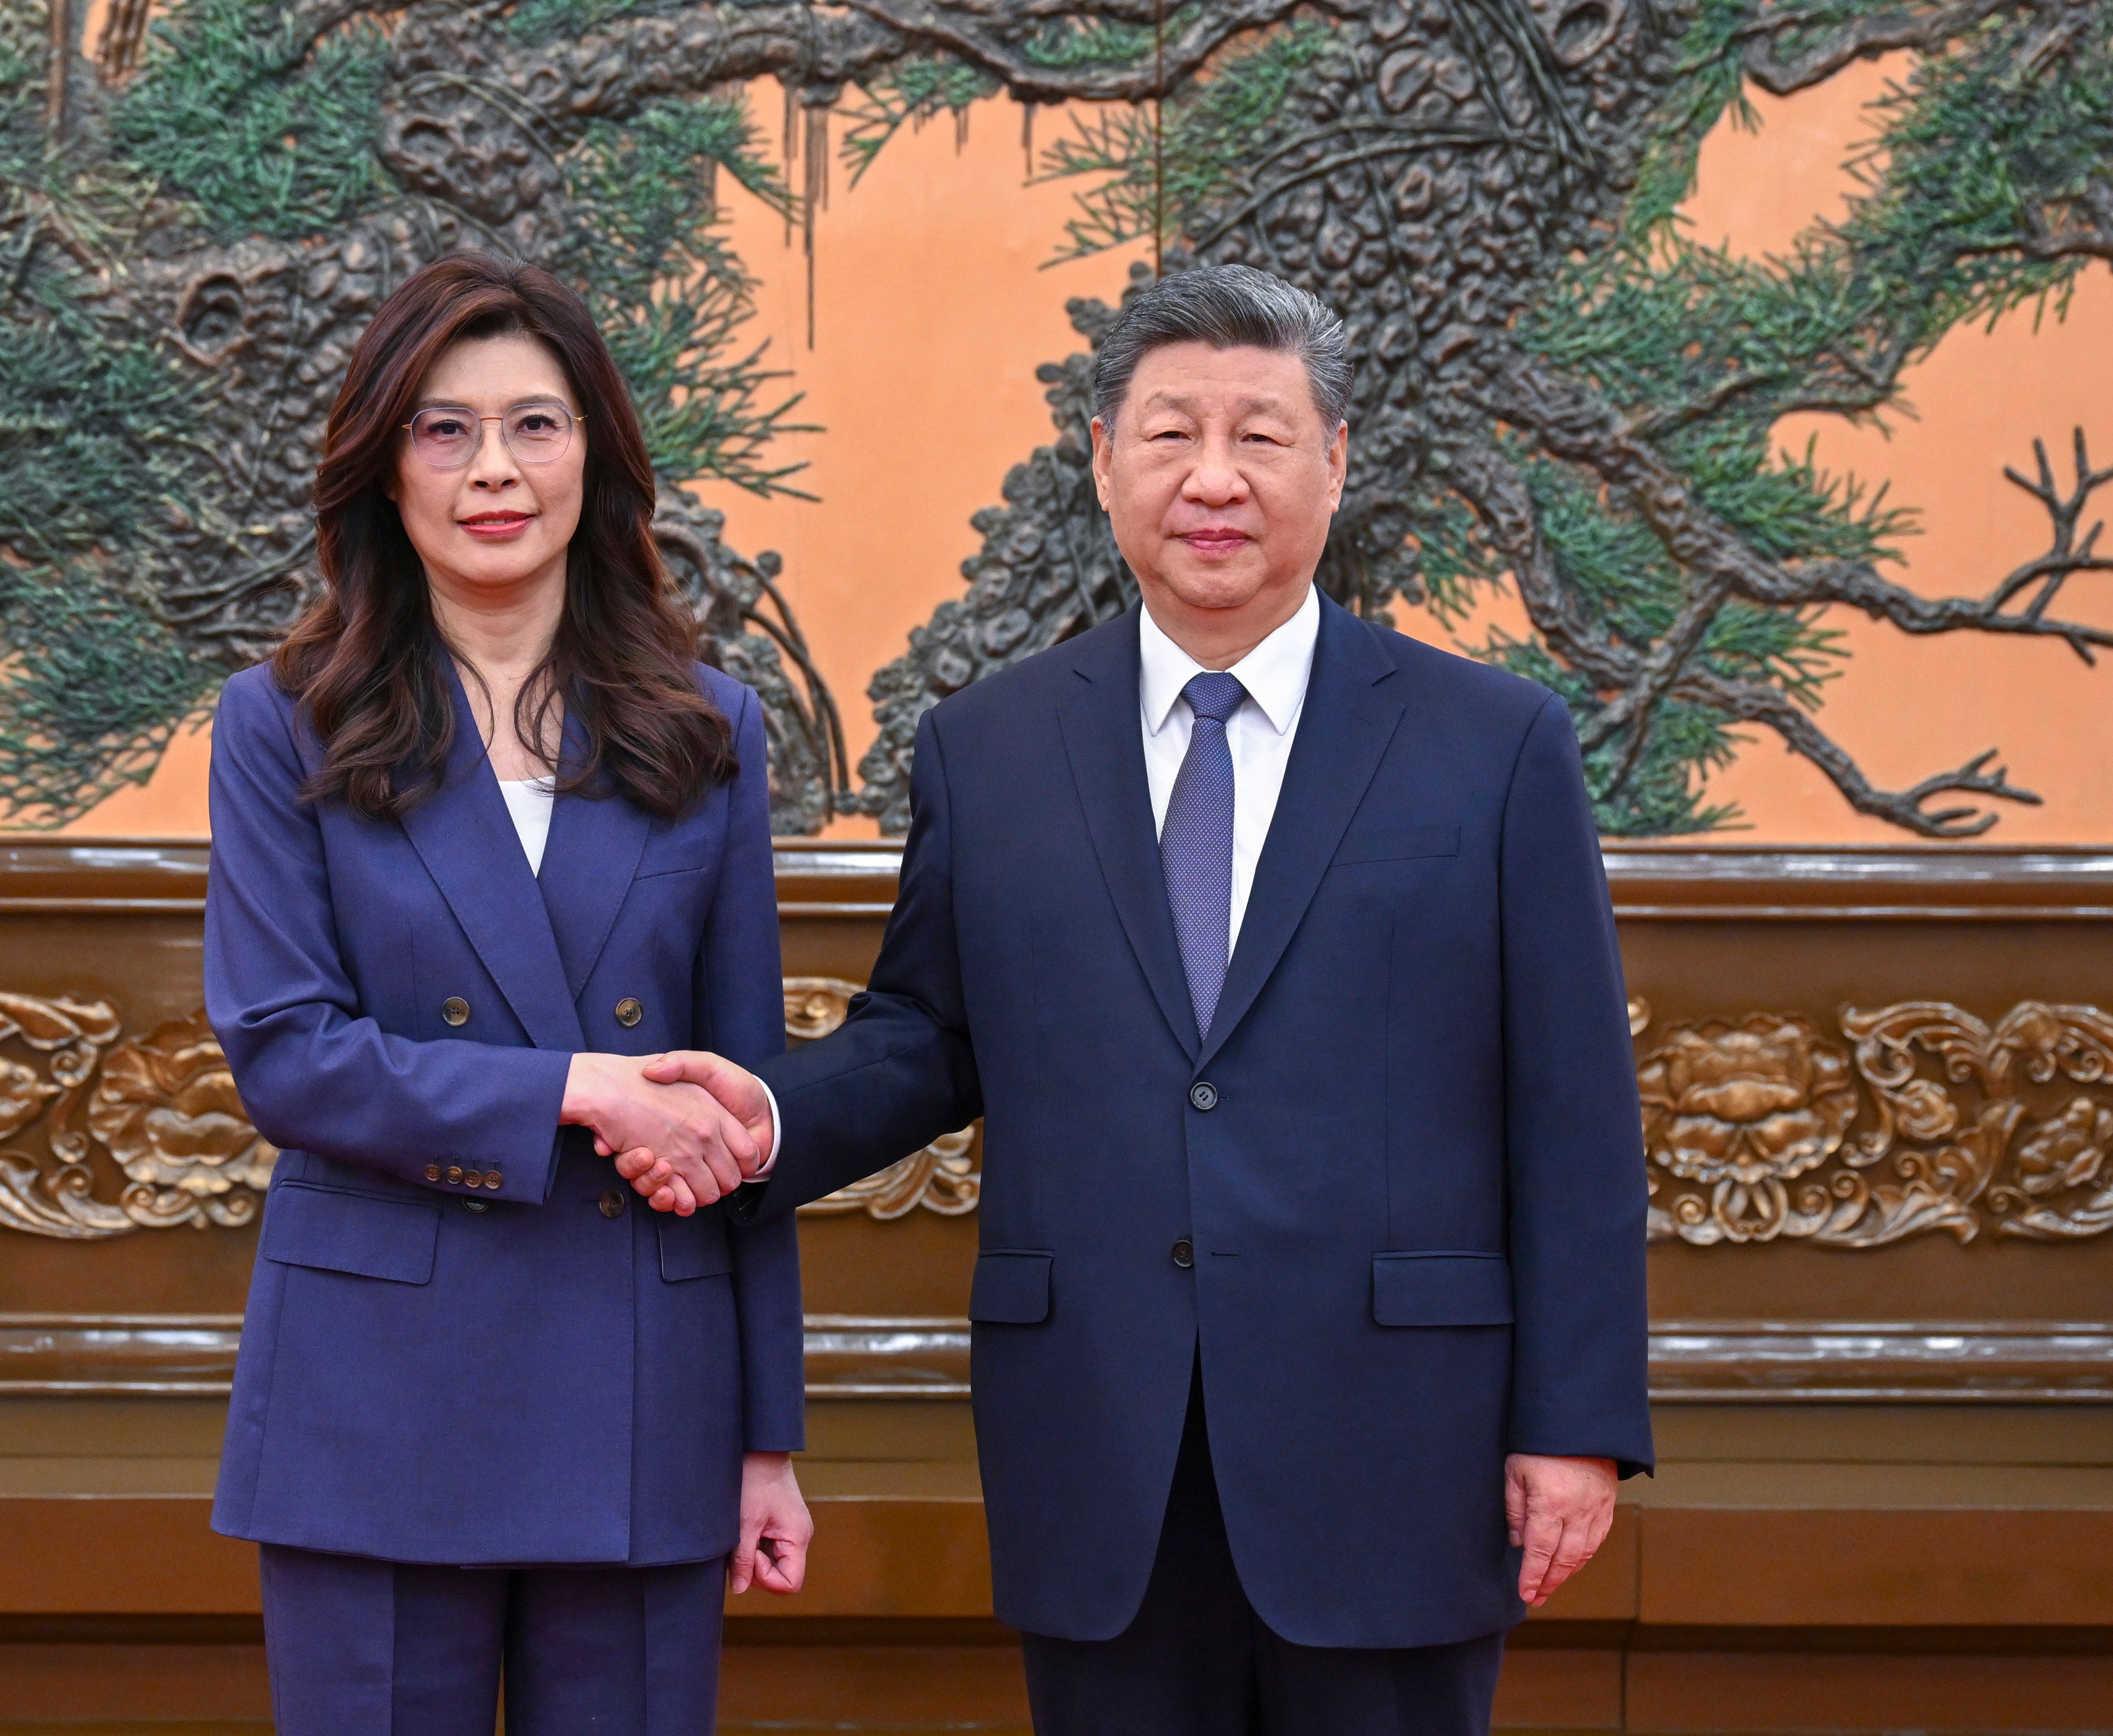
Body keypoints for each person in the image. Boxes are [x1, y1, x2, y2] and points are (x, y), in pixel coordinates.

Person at [624, 264, 1655, 1736]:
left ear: (1337, 461)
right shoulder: (990, 746)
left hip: (1397, 1445)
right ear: (1102, 462)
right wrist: (763, 1118)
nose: (1214, 478)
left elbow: (1570, 1106)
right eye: (1170, 435)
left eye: (1261, 434)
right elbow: (929, 1034)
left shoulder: (1491, 744)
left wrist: (1573, 1426)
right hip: (1100, 1435)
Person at [202, 252, 810, 1736]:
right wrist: (581, 1089)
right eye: (443, 427)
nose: (494, 471)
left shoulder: (707, 728)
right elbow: (288, 1057)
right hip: (378, 1398)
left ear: (593, 457)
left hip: (646, 1393)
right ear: (383, 467)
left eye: (535, 425)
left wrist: (765, 1439)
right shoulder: (283, 721)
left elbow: (740, 1107)